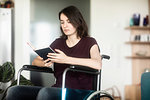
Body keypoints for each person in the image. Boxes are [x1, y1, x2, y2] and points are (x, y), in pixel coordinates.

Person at [6, 5, 101, 100]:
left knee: (46, 93)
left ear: (78, 21)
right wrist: (45, 62)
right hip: (58, 89)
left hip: (82, 92)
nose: (65, 25)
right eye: (62, 22)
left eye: (69, 21)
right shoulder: (58, 43)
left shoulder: (89, 42)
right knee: (14, 91)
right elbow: (35, 62)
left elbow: (97, 64)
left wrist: (66, 59)